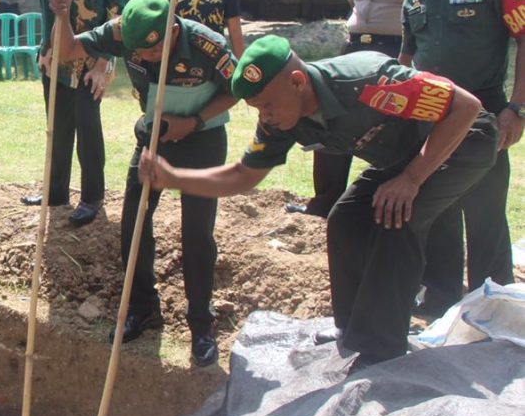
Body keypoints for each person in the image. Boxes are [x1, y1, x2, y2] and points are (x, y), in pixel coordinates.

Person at [139, 35, 497, 370]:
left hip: (463, 140)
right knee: (345, 219)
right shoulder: (280, 121)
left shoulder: (370, 80)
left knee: (396, 218)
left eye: (266, 105)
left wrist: (412, 179)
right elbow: (243, 175)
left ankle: (382, 349)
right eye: (255, 108)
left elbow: (465, 107)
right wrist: (173, 178)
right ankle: (353, 328)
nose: (264, 116)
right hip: (405, 156)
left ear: (297, 82)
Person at [49, 0, 239, 366]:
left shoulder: (208, 45)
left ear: (171, 31)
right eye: (141, 55)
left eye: (154, 52)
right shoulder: (122, 32)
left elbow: (238, 88)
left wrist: (194, 121)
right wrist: (62, 15)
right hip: (153, 138)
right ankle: (143, 308)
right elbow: (69, 50)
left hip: (201, 142)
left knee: (196, 234)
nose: (148, 59)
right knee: (133, 224)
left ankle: (201, 323)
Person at [389, 0, 524, 315]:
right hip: (429, 120)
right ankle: (440, 299)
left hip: (484, 117)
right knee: (437, 212)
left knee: (484, 216)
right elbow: (405, 63)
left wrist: (517, 107)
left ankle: (493, 307)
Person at [0, 0, 126, 226]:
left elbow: (116, 19)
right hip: (54, 57)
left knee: (87, 122)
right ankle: (56, 192)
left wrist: (102, 65)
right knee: (57, 126)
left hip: (93, 58)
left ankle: (92, 196)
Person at [288, 0, 416, 218]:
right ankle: (324, 201)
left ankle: (381, 202)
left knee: (389, 126)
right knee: (329, 118)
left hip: (395, 51)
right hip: (355, 46)